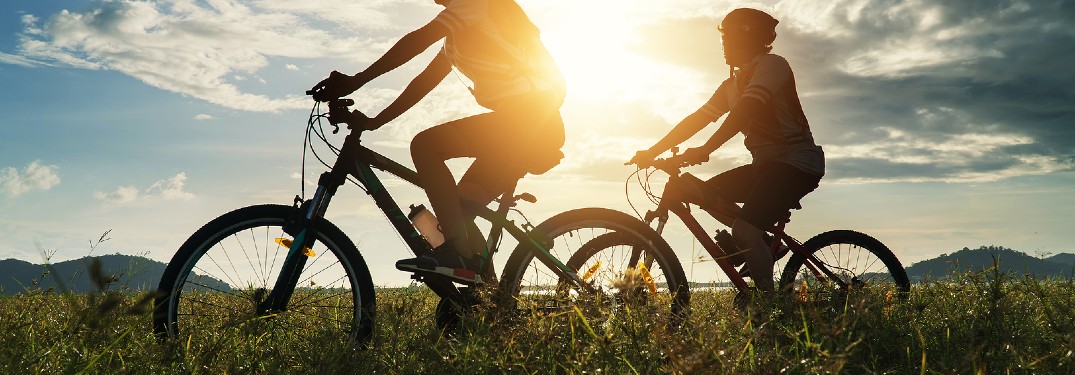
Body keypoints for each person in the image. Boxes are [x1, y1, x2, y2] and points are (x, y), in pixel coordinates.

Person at [309, 0, 566, 284]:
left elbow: (417, 41)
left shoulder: (475, 5)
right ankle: (487, 302)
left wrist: (356, 81)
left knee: (425, 146)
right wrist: (374, 122)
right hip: (522, 127)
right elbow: (423, 83)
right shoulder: (457, 36)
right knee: (458, 210)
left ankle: (459, 256)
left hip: (529, 121)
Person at [629, 8, 824, 293]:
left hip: (796, 164)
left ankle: (767, 311)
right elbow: (697, 119)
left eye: (728, 40)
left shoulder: (772, 65)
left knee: (744, 232)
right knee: (704, 194)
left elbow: (746, 111)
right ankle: (766, 244)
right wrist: (652, 150)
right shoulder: (730, 85)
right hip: (766, 167)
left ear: (749, 39)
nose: (723, 48)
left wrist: (707, 149)